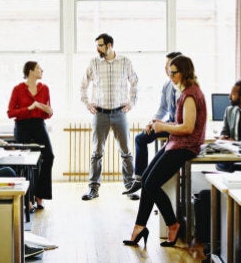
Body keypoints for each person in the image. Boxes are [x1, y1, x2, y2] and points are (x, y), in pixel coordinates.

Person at [123, 55, 206, 247]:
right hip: (176, 143)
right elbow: (180, 124)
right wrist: (160, 123)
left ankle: (172, 223)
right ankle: (140, 226)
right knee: (146, 180)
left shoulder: (191, 95)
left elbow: (187, 128)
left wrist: (163, 127)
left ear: (185, 72)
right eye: (169, 72)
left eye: (174, 72)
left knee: (151, 184)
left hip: (185, 146)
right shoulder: (185, 92)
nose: (170, 76)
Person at [80, 33, 138, 201]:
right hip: (100, 114)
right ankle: (93, 189)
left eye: (100, 45)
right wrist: (87, 103)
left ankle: (130, 187)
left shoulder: (125, 61)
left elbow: (134, 82)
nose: (97, 48)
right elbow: (83, 85)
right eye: (97, 45)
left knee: (126, 152)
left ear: (109, 45)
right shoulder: (94, 63)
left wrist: (132, 102)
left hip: (120, 113)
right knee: (96, 152)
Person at [123, 52, 183, 198]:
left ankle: (150, 182)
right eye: (165, 66)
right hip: (168, 124)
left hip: (179, 128)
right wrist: (152, 121)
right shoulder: (167, 85)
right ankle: (139, 178)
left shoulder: (185, 88)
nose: (166, 69)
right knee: (140, 138)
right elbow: (162, 109)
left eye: (168, 66)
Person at [7, 61, 55, 210]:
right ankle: (26, 200)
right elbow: (10, 113)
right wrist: (29, 107)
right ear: (31, 71)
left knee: (49, 156)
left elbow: (49, 113)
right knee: (23, 162)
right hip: (22, 126)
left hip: (39, 124)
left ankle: (40, 196)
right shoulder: (18, 89)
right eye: (39, 68)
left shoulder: (44, 88)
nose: (42, 70)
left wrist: (47, 109)